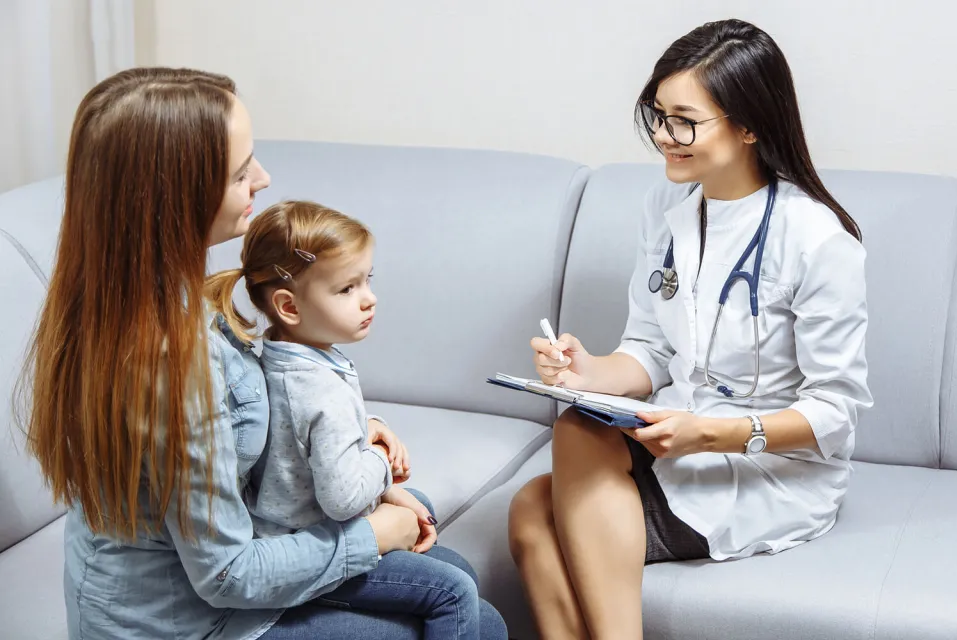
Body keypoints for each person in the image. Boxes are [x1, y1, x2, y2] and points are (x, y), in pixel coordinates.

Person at [17, 67, 506, 640]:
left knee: (454, 575)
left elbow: (243, 439)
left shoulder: (146, 301)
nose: (264, 178)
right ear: (177, 196)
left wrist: (351, 441)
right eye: (241, 171)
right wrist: (374, 534)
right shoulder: (164, 363)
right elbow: (226, 575)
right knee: (477, 618)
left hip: (199, 581)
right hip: (196, 622)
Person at [508, 19, 872, 639]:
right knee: (528, 505)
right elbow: (650, 350)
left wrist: (711, 434)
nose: (662, 136)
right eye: (657, 115)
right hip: (676, 433)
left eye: (683, 120)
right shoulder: (668, 208)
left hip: (768, 466)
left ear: (749, 124)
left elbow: (835, 413)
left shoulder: (816, 239)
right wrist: (585, 371)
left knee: (555, 471)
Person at [206, 200, 487, 639]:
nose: (369, 298)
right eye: (346, 289)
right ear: (290, 307)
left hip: (283, 529)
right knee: (453, 591)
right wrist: (376, 457)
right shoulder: (320, 390)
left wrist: (367, 425)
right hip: (312, 548)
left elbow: (298, 437)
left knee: (437, 536)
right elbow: (342, 499)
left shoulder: (279, 359)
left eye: (366, 281)